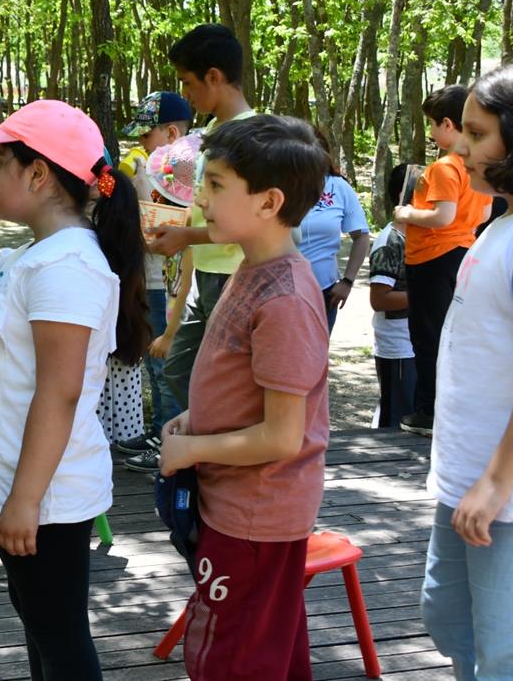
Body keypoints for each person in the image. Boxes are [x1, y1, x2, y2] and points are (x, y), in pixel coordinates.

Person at [0, 100, 148, 680]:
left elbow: (59, 394)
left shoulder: (67, 266)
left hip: (48, 495)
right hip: (17, 481)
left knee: (59, 636)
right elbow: (3, 375)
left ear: (38, 174)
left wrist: (25, 500)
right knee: (39, 623)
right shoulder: (34, 257)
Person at [159, 115, 330, 681]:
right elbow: (243, 389)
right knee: (272, 649)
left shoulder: (284, 300)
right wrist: (195, 418)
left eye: (215, 185)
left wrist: (192, 450)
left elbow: (283, 435)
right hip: (240, 506)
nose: (200, 199)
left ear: (268, 202)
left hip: (255, 517)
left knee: (231, 658)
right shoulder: (252, 267)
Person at [420, 62, 513, 679]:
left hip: (508, 494)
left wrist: (494, 483)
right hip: (465, 477)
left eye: (478, 133)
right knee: (449, 616)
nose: (461, 146)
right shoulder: (502, 222)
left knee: (507, 649)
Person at [148, 24, 258, 417]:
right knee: (180, 369)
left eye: (189, 83)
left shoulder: (251, 135)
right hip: (206, 273)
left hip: (234, 273)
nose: (187, 94)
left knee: (227, 377)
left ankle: (225, 454)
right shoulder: (213, 131)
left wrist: (185, 237)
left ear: (214, 76)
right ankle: (209, 444)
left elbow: (247, 219)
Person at [395, 86, 494, 435]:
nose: (432, 133)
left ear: (448, 125)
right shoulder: (475, 166)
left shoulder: (443, 167)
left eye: (432, 125)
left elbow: (441, 216)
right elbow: (482, 212)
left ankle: (429, 412)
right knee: (452, 333)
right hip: (463, 254)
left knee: (427, 335)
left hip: (432, 257)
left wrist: (406, 211)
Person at [113, 91, 193, 467]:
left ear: (172, 134)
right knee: (154, 362)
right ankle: (160, 429)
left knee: (167, 364)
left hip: (170, 284)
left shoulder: (184, 174)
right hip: (148, 278)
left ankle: (169, 441)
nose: (139, 144)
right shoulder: (147, 168)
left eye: (146, 136)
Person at [297, 131, 371, 332]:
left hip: (324, 290)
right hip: (280, 289)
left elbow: (361, 236)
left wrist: (347, 281)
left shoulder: (338, 187)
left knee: (317, 358)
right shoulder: (276, 187)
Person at [368, 163, 416, 429]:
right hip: (397, 346)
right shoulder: (390, 241)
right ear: (404, 196)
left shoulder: (414, 236)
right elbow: (379, 299)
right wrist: (426, 296)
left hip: (412, 342)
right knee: (396, 420)